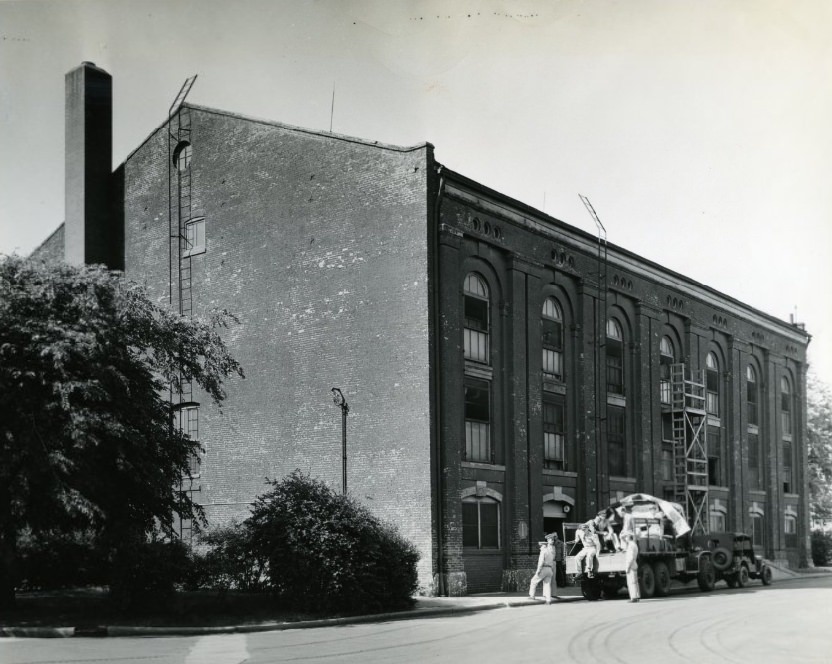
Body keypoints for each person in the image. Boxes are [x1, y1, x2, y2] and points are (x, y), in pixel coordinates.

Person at [528, 533, 557, 604]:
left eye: (540, 546)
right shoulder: (550, 552)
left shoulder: (543, 551)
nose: (539, 548)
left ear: (542, 546)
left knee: (533, 581)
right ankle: (548, 600)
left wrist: (538, 570)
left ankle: (532, 596)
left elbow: (540, 562)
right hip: (550, 570)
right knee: (547, 585)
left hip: (544, 568)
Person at [622, 530, 640, 603]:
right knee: (635, 582)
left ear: (629, 537)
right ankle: (637, 596)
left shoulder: (631, 545)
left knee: (631, 582)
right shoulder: (633, 544)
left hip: (631, 565)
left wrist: (628, 567)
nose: (625, 538)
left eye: (626, 537)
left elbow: (630, 557)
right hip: (634, 564)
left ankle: (633, 598)